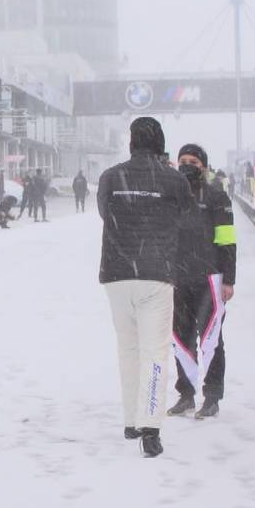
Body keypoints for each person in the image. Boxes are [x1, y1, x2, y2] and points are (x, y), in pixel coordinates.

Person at [97, 117, 194, 458]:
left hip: (116, 273)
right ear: (160, 142)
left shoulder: (111, 177)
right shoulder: (174, 179)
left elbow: (104, 213)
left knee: (128, 348)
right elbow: (185, 213)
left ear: (131, 142)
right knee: (155, 351)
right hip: (156, 273)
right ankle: (150, 428)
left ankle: (130, 420)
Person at [167, 144, 236, 420]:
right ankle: (185, 393)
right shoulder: (170, 197)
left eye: (193, 161)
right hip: (177, 277)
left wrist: (228, 279)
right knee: (181, 339)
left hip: (209, 279)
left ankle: (212, 397)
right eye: (182, 160)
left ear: (203, 166)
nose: (187, 165)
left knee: (211, 338)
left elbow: (227, 241)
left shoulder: (217, 197)